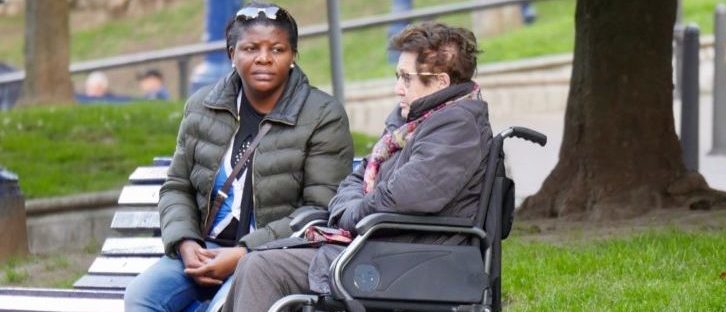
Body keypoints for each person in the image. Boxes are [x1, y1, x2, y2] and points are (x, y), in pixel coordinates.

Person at [223, 21, 491, 312]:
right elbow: (356, 179)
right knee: (258, 262)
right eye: (396, 76)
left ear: (440, 82)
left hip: (411, 260)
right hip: (383, 247)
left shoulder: (457, 128)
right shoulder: (412, 123)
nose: (397, 88)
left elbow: (403, 196)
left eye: (406, 78)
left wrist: (350, 215)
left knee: (261, 267)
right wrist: (349, 210)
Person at [123, 3, 354, 311]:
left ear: (293, 56)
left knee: (222, 306)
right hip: (204, 250)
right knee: (141, 297)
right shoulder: (203, 107)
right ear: (232, 54)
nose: (264, 58)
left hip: (268, 257)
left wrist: (244, 251)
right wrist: (186, 243)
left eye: (277, 49)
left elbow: (320, 210)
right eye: (250, 48)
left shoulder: (322, 115)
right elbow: (177, 186)